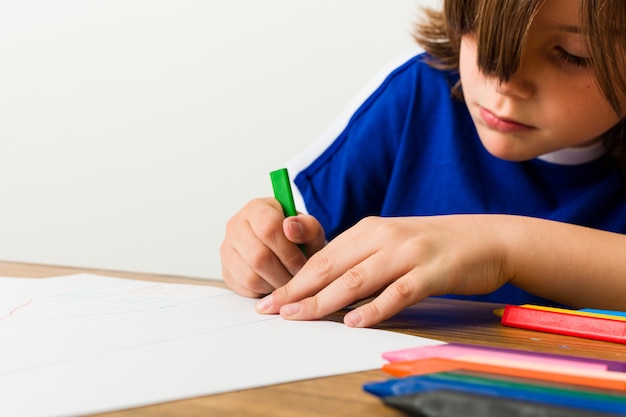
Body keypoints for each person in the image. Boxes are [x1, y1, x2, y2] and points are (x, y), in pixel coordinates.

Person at [220, 0, 626, 328]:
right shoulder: (419, 91)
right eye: (483, 34)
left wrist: (504, 246)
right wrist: (258, 250)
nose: (504, 81)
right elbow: (290, 234)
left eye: (573, 55)